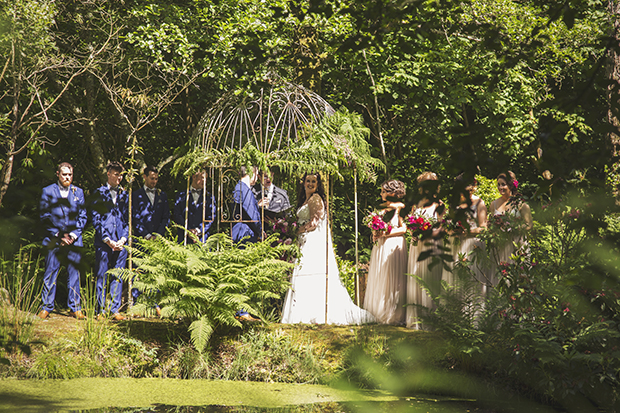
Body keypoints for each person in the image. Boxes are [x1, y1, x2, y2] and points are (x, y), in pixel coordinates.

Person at [281, 172, 374, 325]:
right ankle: (303, 311)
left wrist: (296, 230)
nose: (310, 184)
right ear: (303, 182)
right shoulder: (305, 199)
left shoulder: (316, 199)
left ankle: (313, 313)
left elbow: (314, 223)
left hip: (312, 240)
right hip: (304, 239)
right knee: (303, 272)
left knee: (310, 271)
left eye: (314, 182)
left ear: (318, 185)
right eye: (308, 181)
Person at [38, 162, 87, 320]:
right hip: (54, 239)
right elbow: (44, 217)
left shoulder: (78, 192)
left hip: (73, 240)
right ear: (58, 174)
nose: (67, 177)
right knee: (50, 273)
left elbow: (83, 216)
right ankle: (46, 307)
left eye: (70, 175)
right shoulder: (48, 191)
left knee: (74, 274)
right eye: (64, 174)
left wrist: (73, 235)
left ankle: (75, 308)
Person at [364, 180, 407, 325]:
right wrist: (375, 233)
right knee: (380, 275)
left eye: (384, 191)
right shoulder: (381, 208)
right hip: (380, 245)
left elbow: (404, 229)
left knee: (392, 277)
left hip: (393, 244)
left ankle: (393, 314)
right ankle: (379, 311)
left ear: (393, 193)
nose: (381, 194)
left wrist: (385, 233)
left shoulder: (400, 207)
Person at [92, 161, 129, 321]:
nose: (119, 178)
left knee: (118, 276)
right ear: (108, 174)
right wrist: (107, 239)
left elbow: (128, 219)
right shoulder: (99, 193)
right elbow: (96, 218)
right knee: (101, 275)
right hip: (104, 242)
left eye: (121, 175)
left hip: (120, 242)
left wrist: (123, 238)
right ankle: (100, 310)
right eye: (116, 174)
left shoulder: (125, 194)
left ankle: (115, 310)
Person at [407, 172, 444, 329]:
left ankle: (431, 319)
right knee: (416, 278)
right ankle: (417, 318)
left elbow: (443, 228)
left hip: (431, 246)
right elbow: (409, 223)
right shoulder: (417, 205)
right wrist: (413, 232)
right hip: (417, 247)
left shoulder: (439, 205)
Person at [132, 165, 169, 313]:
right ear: (145, 177)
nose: (154, 181)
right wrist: (146, 235)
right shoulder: (135, 195)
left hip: (158, 241)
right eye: (152, 178)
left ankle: (155, 304)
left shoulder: (162, 196)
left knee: (155, 271)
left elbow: (166, 217)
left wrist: (158, 235)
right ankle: (137, 302)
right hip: (141, 239)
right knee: (139, 271)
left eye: (156, 179)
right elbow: (134, 217)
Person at [487, 171, 533, 287]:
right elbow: (490, 223)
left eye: (503, 184)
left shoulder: (521, 204)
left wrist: (512, 228)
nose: (500, 187)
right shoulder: (494, 204)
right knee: (500, 277)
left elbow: (529, 225)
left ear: (511, 185)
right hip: (500, 245)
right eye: (498, 184)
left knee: (518, 276)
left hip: (517, 244)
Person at [446, 174, 488, 290]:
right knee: (455, 279)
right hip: (455, 244)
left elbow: (484, 228)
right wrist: (451, 231)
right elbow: (448, 225)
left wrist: (468, 231)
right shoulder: (454, 204)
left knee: (471, 279)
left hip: (472, 244)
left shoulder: (479, 203)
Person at [173, 170, 215, 244]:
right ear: (194, 177)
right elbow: (177, 215)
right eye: (202, 178)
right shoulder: (181, 195)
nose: (204, 181)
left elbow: (211, 217)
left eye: (206, 178)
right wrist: (188, 230)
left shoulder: (209, 197)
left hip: (202, 239)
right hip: (184, 238)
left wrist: (198, 231)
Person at [232, 166, 263, 245]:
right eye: (257, 174)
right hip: (244, 233)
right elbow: (252, 215)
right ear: (252, 173)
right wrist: (261, 231)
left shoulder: (239, 187)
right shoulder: (244, 190)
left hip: (240, 231)